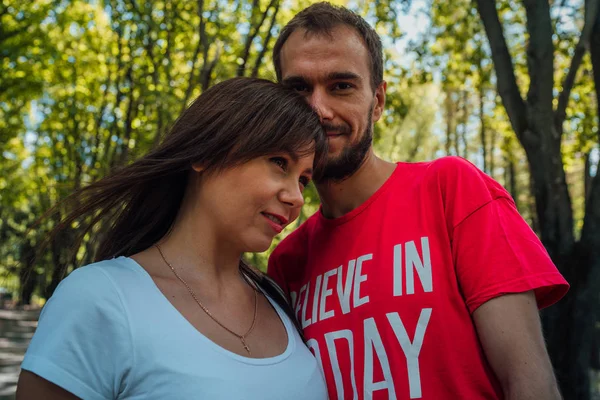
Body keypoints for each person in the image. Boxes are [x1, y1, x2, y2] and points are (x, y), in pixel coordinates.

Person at [267, 3, 569, 399]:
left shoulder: (453, 190)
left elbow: (529, 383)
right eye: (299, 89)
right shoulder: (287, 261)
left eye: (341, 86)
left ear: (377, 102)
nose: (318, 109)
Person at [16, 77, 329, 399]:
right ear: (206, 153)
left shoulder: (282, 302)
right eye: (279, 163)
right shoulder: (100, 298)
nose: (296, 197)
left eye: (304, 179)